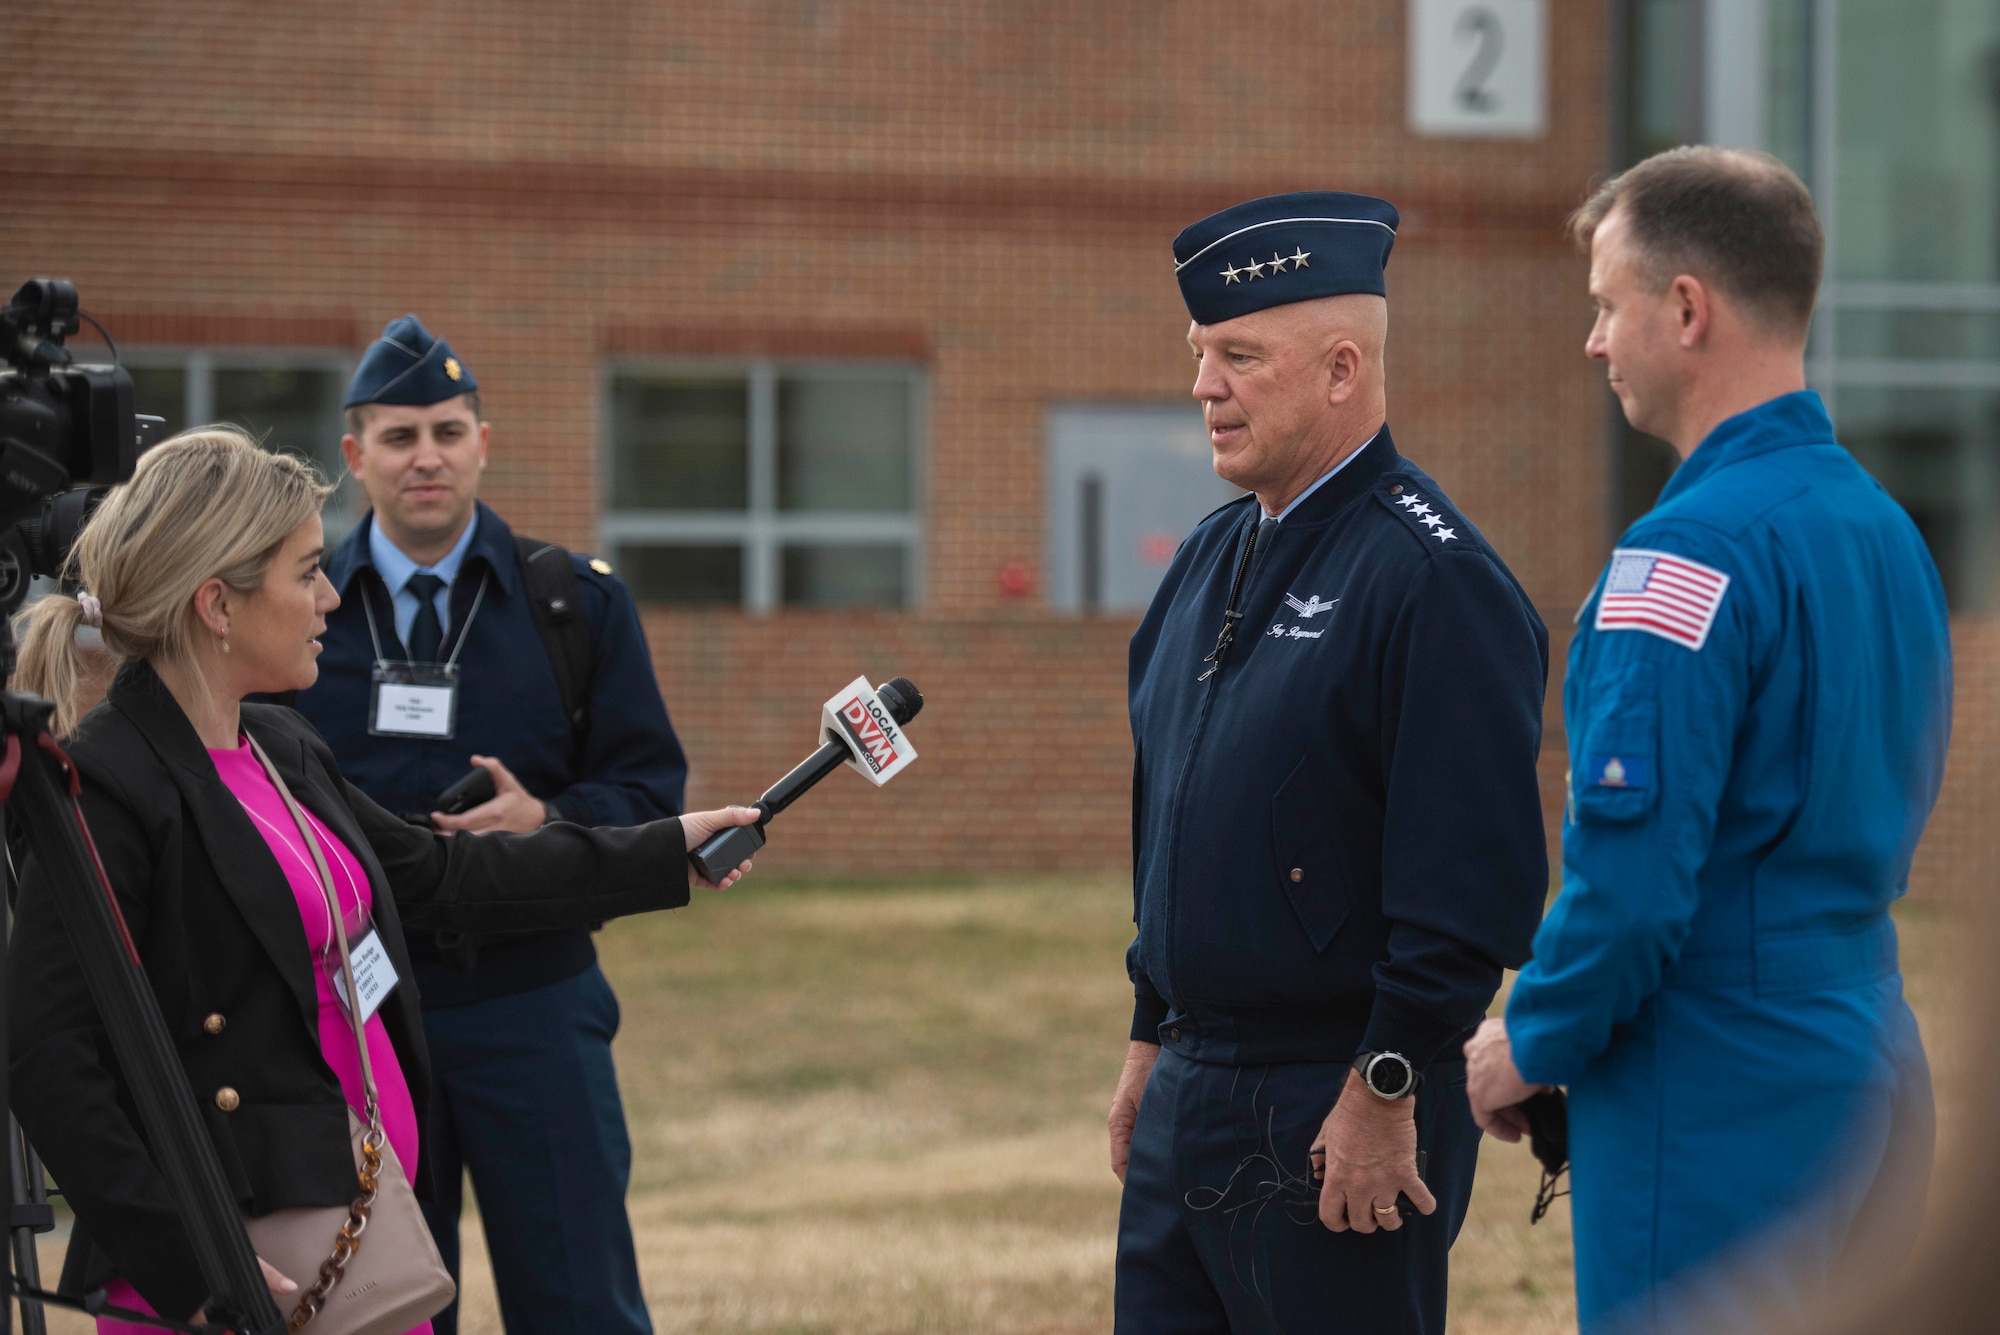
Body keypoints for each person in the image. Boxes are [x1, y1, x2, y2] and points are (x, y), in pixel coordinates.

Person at [5, 428, 758, 1330]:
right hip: (244, 1281)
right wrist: (196, 1268)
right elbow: (47, 1060)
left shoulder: (280, 744)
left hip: (364, 1239)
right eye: (305, 572)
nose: (330, 596)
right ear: (218, 603)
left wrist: (661, 847)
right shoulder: (109, 784)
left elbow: (442, 874)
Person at [1463, 148, 1953, 1332]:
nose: (1593, 341)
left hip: (1717, 1078)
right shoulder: (1882, 533)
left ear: (1684, 308)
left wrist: (1528, 1038)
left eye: (1603, 304)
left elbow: (1630, 891)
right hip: (1868, 1051)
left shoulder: (1680, 558)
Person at [1111, 191, 1551, 1333]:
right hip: (1193, 1089)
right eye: (1201, 355)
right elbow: (1167, 806)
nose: (1203, 386)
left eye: (1238, 356)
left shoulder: (1431, 579)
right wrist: (1149, 1034)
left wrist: (1386, 1081)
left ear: (1341, 370)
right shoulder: (1206, 558)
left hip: (1339, 1099)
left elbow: (1472, 889)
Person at [287, 316, 684, 1335]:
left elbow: (648, 795)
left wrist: (544, 819)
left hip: (533, 1006)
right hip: (361, 1018)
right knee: (385, 1311)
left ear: (482, 443)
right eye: (400, 435)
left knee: (579, 1301)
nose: (426, 456)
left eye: (448, 432)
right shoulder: (297, 611)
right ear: (354, 456)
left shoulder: (573, 607)